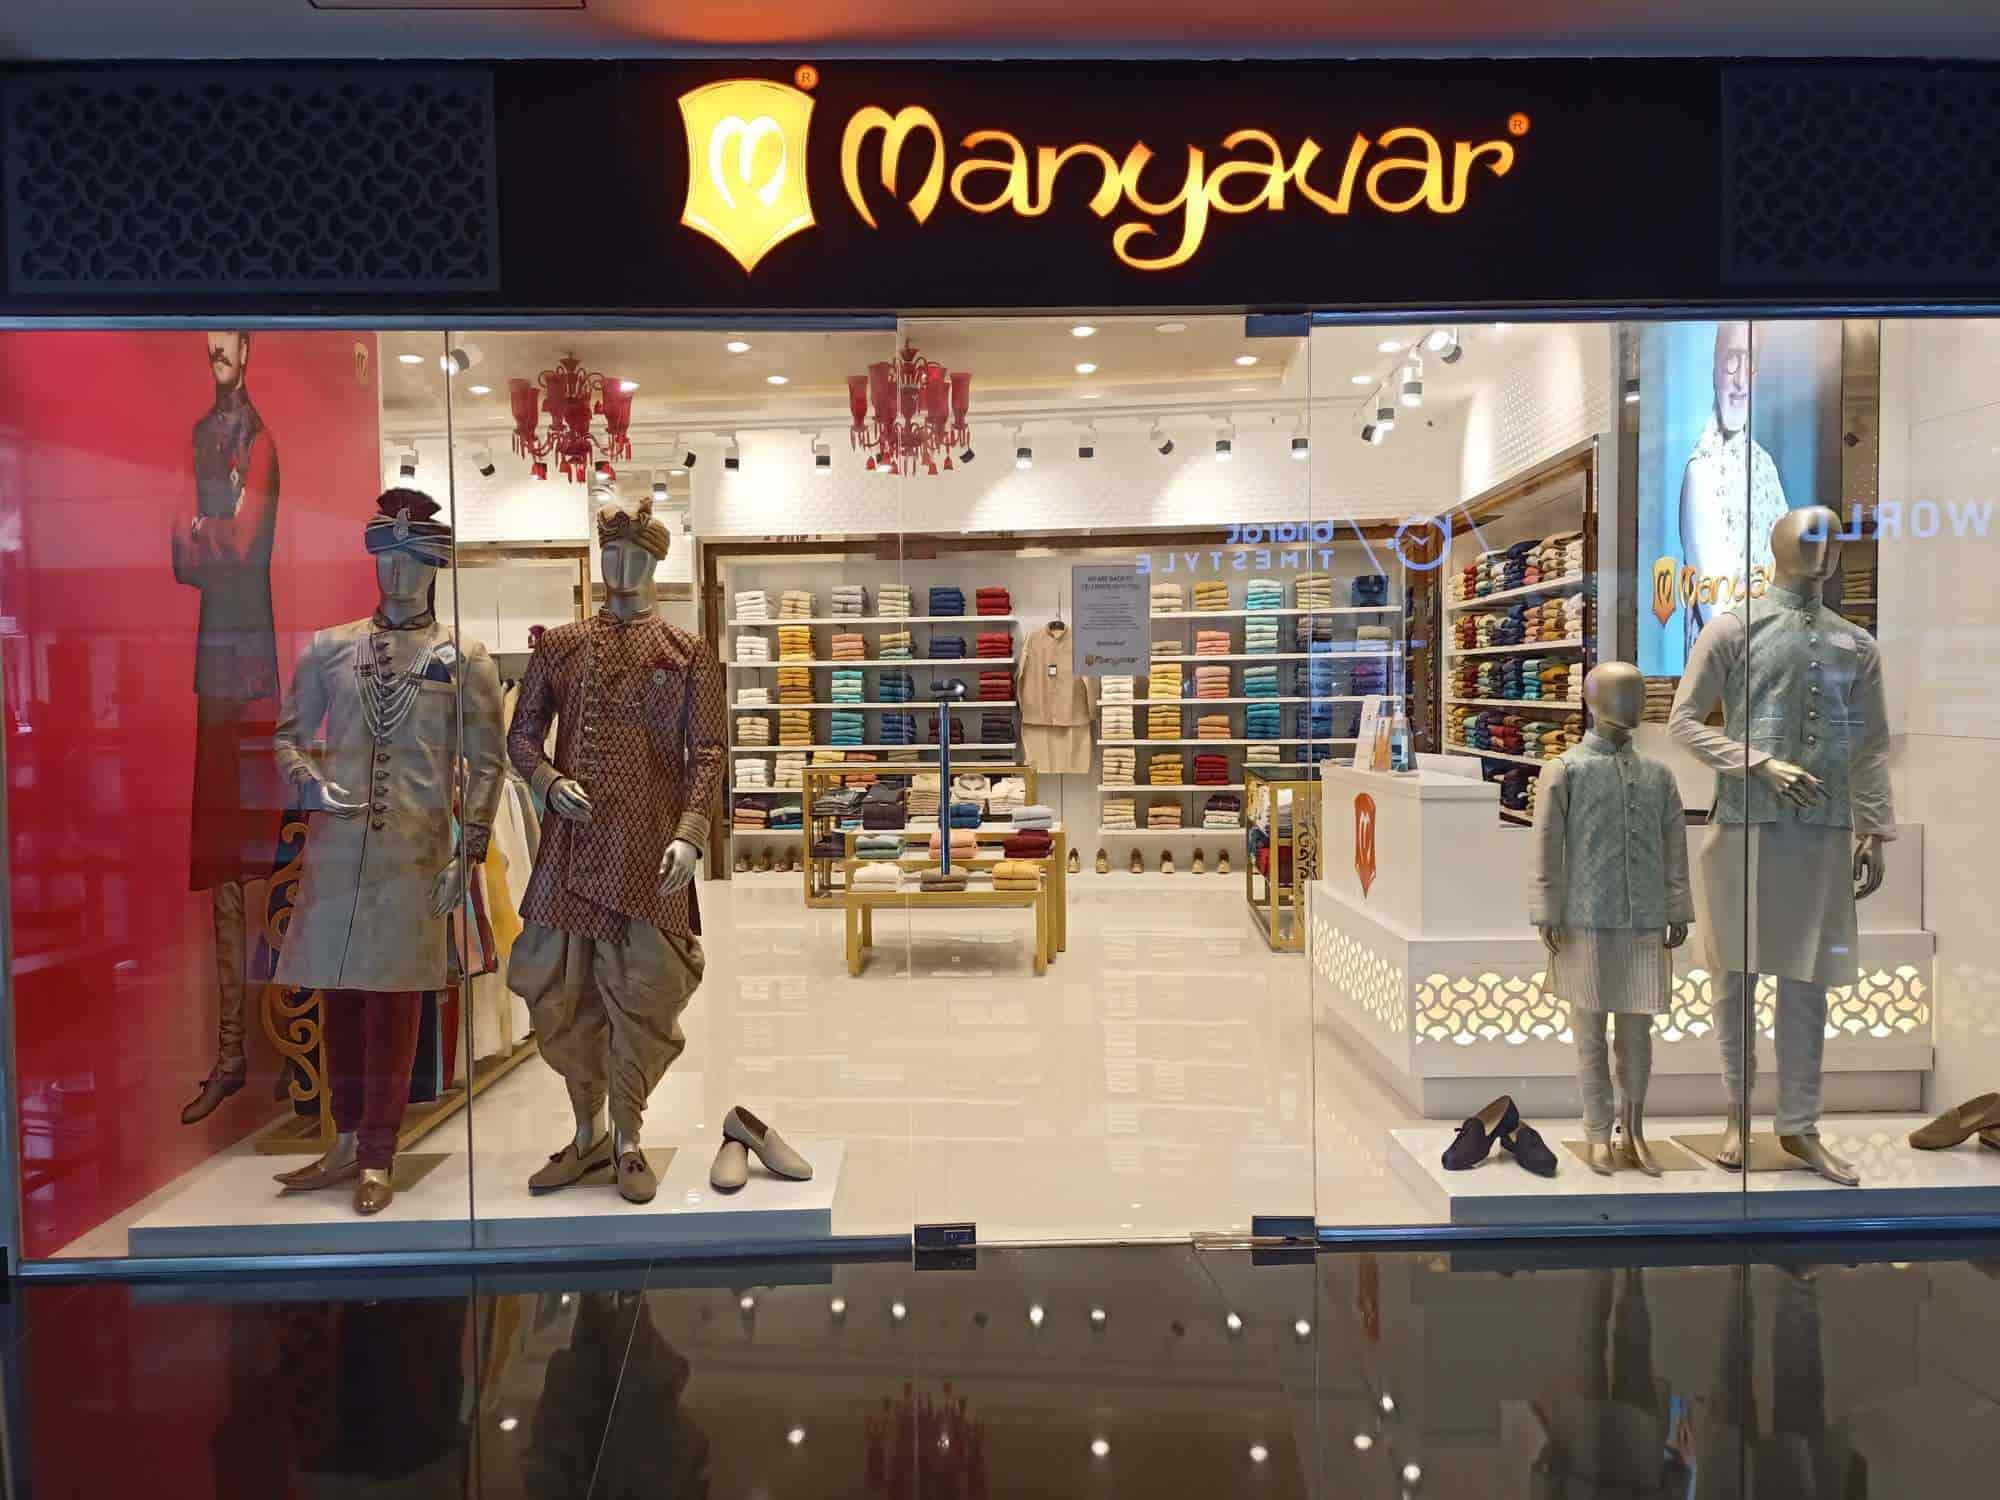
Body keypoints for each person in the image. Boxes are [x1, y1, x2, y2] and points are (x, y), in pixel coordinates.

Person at [171, 329, 282, 1125]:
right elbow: (179, 552)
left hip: (252, 670)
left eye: (228, 338)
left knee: (267, 855)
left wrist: (206, 529)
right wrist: (213, 531)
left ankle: (275, 1049)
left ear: (246, 347)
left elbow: (239, 547)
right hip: (216, 668)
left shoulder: (262, 443)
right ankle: (234, 1052)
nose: (216, 348)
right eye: (209, 336)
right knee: (220, 860)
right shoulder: (201, 440)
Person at [1675, 321, 1790, 655]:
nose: (1740, 378)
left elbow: (1790, 581)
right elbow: (1720, 617)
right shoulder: (1703, 471)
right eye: (1731, 360)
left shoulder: (1765, 467)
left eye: (1749, 362)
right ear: (1714, 370)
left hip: (1772, 662)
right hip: (1728, 671)